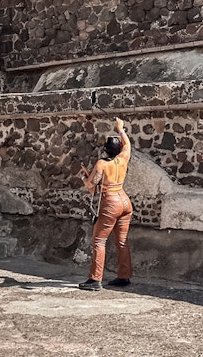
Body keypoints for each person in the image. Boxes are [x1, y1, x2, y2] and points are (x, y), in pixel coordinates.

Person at [78, 117, 133, 291]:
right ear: (119, 149)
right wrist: (121, 129)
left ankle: (95, 279)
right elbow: (128, 145)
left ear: (106, 150)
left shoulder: (102, 163)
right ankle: (124, 276)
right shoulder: (124, 157)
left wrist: (84, 177)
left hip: (110, 202)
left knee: (99, 241)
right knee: (122, 241)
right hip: (124, 201)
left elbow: (91, 184)